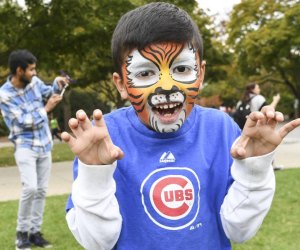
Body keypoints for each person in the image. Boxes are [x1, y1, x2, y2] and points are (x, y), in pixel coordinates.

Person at [61, 3, 300, 250]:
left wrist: (256, 168)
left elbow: (240, 230)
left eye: (182, 69)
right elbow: (97, 242)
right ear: (121, 84)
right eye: (145, 74)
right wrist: (93, 174)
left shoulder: (220, 129)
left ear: (201, 73)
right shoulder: (104, 138)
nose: (166, 86)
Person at [0, 49, 69, 250]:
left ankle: (34, 233)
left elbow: (49, 92)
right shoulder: (4, 95)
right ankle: (21, 234)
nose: (35, 73)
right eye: (31, 70)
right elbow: (21, 122)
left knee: (40, 191)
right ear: (19, 70)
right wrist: (46, 109)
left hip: (44, 144)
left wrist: (58, 83)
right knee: (30, 188)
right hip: (25, 147)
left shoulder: (35, 83)